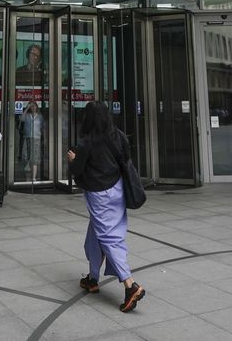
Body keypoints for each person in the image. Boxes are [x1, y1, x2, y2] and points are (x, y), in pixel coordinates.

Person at [68, 101, 146, 313]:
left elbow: (78, 169)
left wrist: (73, 160)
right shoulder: (118, 135)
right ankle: (93, 278)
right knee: (97, 233)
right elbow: (125, 159)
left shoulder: (86, 142)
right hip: (117, 190)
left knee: (109, 238)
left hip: (99, 195)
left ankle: (130, 285)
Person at [20, 100, 45, 181]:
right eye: (31, 106)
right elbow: (21, 119)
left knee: (35, 157)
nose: (33, 107)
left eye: (34, 106)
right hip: (28, 137)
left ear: (37, 107)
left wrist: (45, 139)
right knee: (27, 156)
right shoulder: (27, 115)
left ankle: (33, 177)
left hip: (37, 138)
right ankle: (27, 177)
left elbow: (43, 128)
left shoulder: (40, 116)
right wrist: (26, 108)